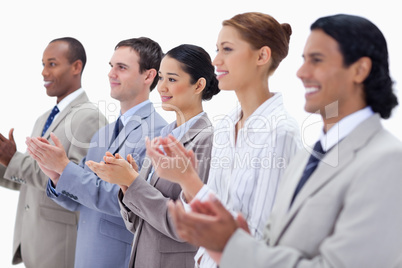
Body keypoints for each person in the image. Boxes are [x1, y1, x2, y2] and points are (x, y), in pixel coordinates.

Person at [166, 14, 402, 268]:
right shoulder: (308, 157)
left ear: (359, 70)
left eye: (317, 60)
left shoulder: (387, 160)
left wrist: (229, 243)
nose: (301, 72)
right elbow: (272, 240)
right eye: (304, 60)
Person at [144, 12, 301, 267]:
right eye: (217, 49)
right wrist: (186, 179)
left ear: (262, 56)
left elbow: (260, 240)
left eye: (227, 50)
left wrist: (187, 181)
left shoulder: (280, 133)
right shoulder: (227, 125)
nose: (216, 60)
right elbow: (212, 212)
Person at [26, 37, 167, 268]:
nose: (112, 74)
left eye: (121, 67)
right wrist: (56, 176)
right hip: (84, 254)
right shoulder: (102, 134)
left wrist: (65, 167)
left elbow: (125, 202)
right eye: (111, 66)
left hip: (117, 257)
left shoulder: (158, 134)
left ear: (149, 76)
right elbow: (78, 200)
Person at [86, 44, 220, 267]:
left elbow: (186, 226)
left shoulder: (206, 140)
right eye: (161, 78)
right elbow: (137, 223)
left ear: (199, 85)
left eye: (172, 79)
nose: (161, 88)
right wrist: (127, 185)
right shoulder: (163, 135)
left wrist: (133, 182)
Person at [0, 37, 106, 268]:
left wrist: (12, 158)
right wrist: (4, 164)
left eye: (52, 64)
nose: (44, 72)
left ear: (76, 67)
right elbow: (28, 179)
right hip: (32, 241)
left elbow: (75, 183)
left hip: (59, 247)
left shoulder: (90, 117)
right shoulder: (43, 118)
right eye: (43, 64)